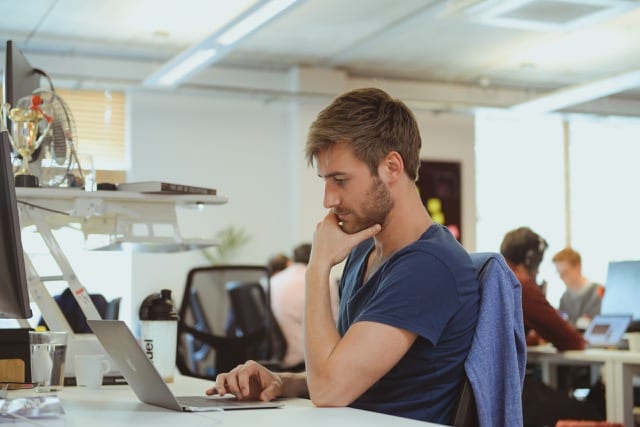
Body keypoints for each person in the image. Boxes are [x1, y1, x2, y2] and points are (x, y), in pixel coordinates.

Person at [206, 87, 480, 424]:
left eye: (340, 180)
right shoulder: (363, 250)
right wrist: (283, 381)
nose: (328, 199)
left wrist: (317, 267)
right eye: (325, 180)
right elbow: (347, 375)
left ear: (392, 167)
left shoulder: (428, 266)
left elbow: (330, 391)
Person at [500, 227, 605, 427]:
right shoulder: (518, 283)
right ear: (530, 259)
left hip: (489, 394)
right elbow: (570, 340)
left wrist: (532, 338)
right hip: (513, 397)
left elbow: (502, 333)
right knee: (594, 409)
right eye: (538, 262)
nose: (538, 270)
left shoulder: (490, 276)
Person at [269, 242, 312, 370]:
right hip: (300, 358)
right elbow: (336, 320)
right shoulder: (319, 277)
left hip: (274, 354)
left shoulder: (272, 280)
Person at [552, 247, 603, 330]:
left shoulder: (598, 292)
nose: (561, 277)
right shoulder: (565, 298)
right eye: (559, 273)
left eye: (565, 272)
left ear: (578, 267)